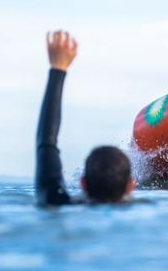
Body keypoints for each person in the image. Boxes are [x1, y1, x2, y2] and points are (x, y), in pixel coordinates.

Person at [35, 30, 134, 206]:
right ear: (131, 185)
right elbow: (46, 144)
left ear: (83, 183)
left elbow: (46, 143)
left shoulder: (56, 199)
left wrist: (58, 68)